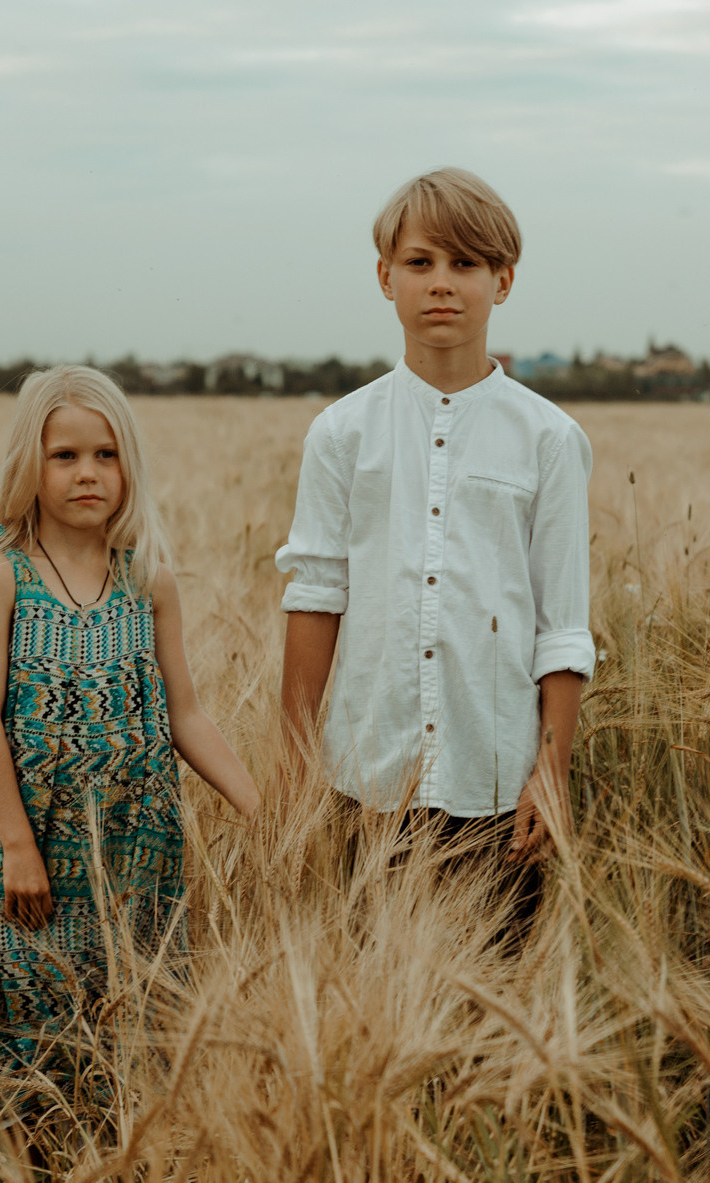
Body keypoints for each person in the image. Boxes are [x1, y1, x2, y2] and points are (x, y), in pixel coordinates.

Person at [275, 167, 593, 940]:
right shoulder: (342, 434)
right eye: (420, 263)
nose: (441, 285)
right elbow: (316, 596)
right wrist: (293, 771)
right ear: (386, 278)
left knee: (493, 1014)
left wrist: (550, 773)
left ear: (503, 281)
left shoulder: (549, 439)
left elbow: (562, 622)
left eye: (466, 264)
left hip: (495, 781)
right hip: (366, 781)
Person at [0, 366, 258, 1121]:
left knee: (134, 1025)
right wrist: (18, 847)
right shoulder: (1, 578)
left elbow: (185, 715)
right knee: (30, 1032)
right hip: (37, 853)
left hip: (137, 848)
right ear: (31, 463)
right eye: (64, 456)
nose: (87, 473)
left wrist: (265, 808)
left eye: (106, 455)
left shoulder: (148, 578)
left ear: (129, 466)